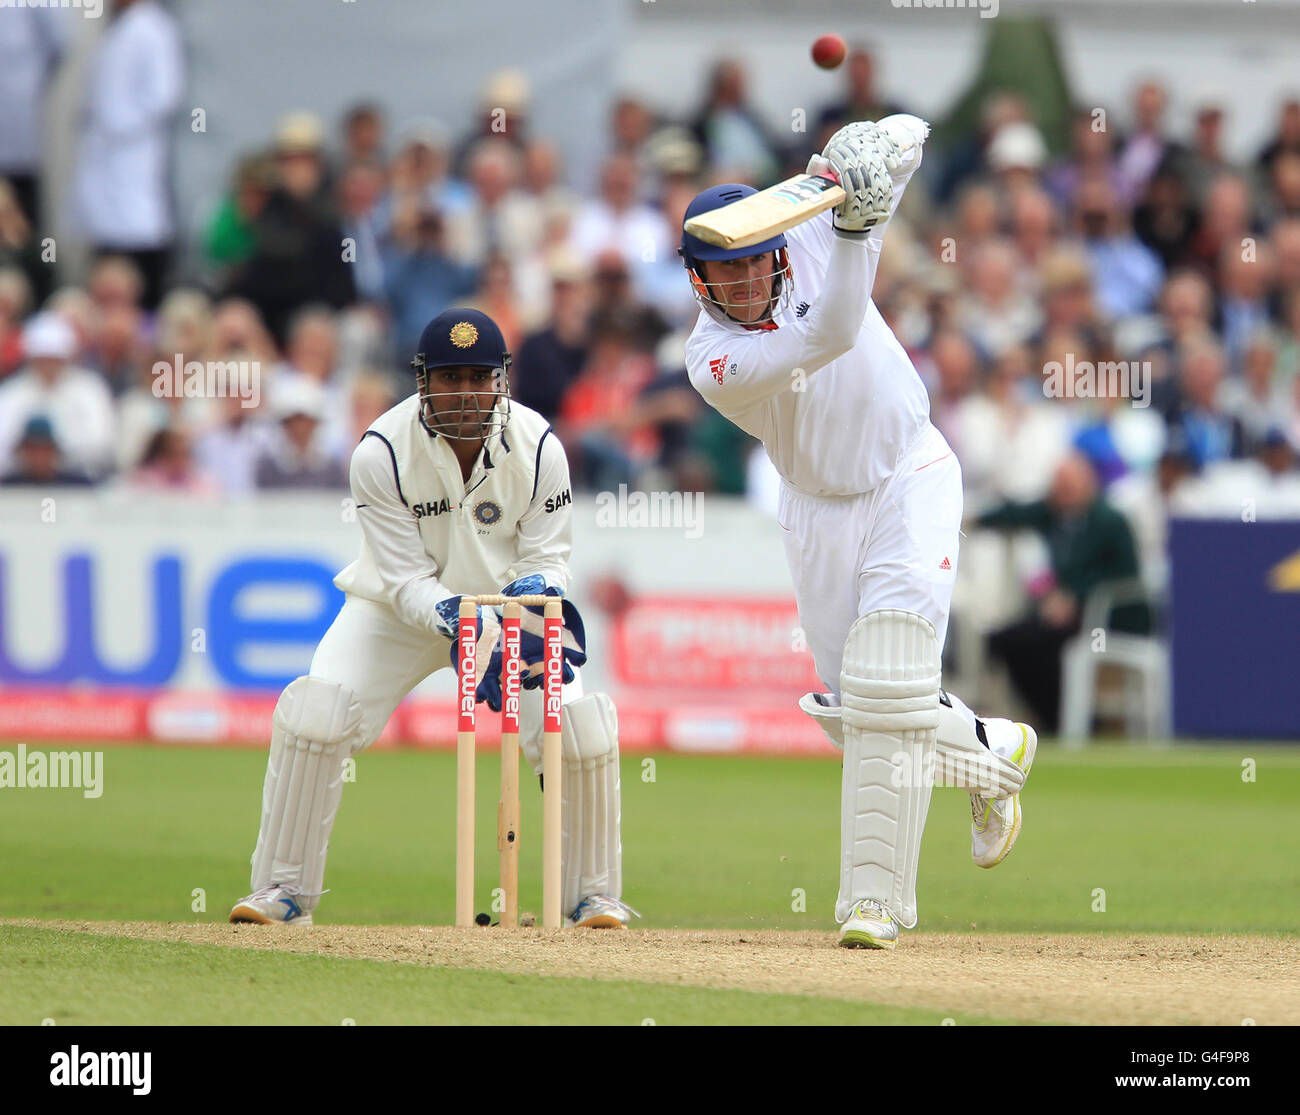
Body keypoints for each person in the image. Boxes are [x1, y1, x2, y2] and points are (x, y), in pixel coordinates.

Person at [679, 118, 1037, 952]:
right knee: (856, 706)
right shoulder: (712, 362)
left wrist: (865, 155)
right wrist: (858, 224)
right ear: (698, 284)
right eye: (718, 275)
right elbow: (833, 332)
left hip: (909, 474)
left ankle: (871, 905)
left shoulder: (804, 224)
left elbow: (906, 133)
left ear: (770, 248)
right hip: (816, 510)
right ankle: (993, 751)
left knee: (888, 682)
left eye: (746, 264)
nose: (738, 286)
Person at [229, 308, 631, 930]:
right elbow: (404, 581)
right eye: (450, 378)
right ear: (423, 382)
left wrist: (531, 599)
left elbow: (549, 558)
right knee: (317, 714)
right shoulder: (381, 452)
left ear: (501, 379)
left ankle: (592, 896)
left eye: (478, 376)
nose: (466, 392)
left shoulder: (540, 443)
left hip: (506, 609)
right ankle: (283, 892)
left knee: (579, 729)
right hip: (397, 612)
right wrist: (455, 619)